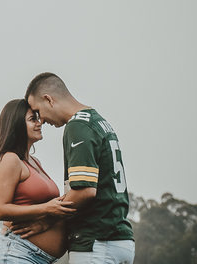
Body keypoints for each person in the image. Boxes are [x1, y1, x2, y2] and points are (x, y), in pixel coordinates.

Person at [21, 72, 134, 264]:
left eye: (38, 111)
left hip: (96, 242)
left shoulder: (78, 125)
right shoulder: (98, 121)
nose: (41, 120)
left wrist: (45, 221)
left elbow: (85, 191)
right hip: (119, 240)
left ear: (49, 99)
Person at [0, 98, 76, 264]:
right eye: (32, 119)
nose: (39, 122)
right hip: (16, 253)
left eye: (38, 118)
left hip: (37, 258)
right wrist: (46, 208)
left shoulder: (34, 162)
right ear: (16, 125)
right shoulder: (10, 159)